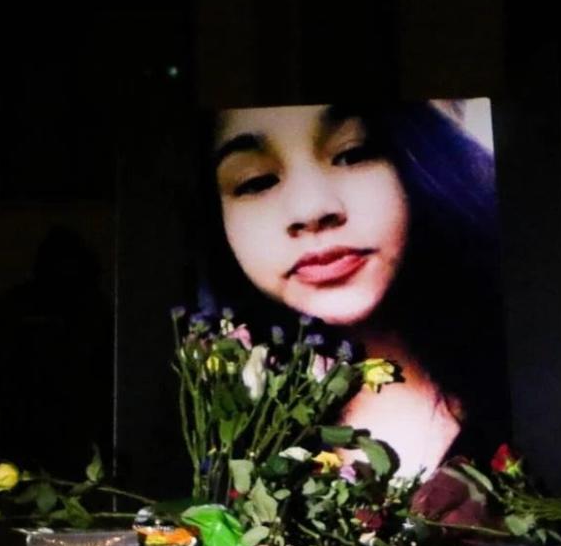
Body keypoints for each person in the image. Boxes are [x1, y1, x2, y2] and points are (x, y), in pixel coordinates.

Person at [191, 101, 509, 476]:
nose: (312, 209)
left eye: (351, 153)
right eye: (256, 181)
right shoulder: (214, 424)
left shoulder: (522, 370)